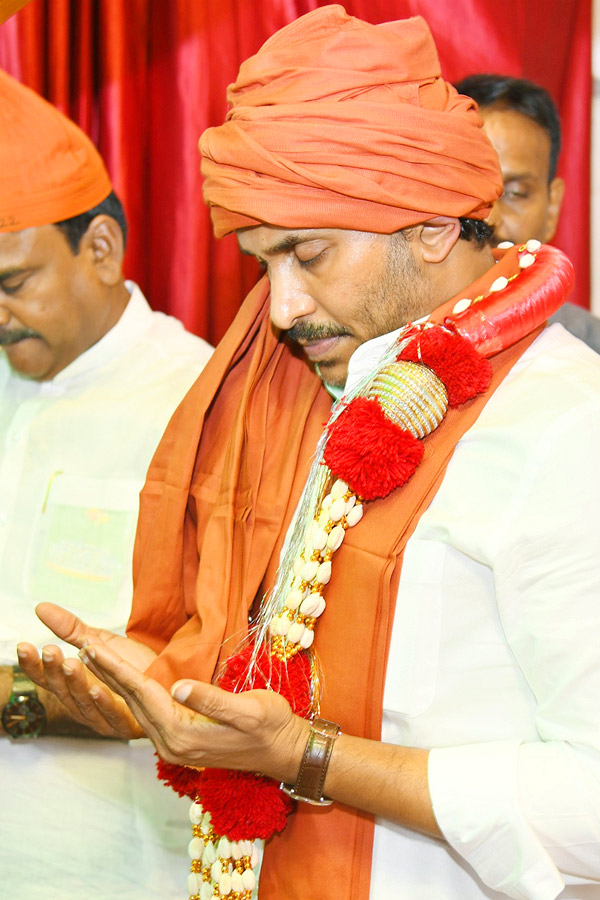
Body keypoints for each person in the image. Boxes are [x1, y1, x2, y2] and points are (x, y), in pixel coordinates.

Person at [18, 7, 600, 900]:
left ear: (433, 228)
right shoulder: (310, 390)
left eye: (309, 253)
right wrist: (174, 694)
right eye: (262, 263)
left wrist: (305, 758)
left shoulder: (566, 427)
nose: (282, 309)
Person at [0, 69, 214, 899]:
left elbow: (211, 666)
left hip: (116, 867)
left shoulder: (195, 401)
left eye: (13, 284)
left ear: (99, 247)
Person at [455, 73, 600, 351]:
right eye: (473, 188)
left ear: (552, 207)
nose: (491, 217)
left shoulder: (591, 353)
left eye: (516, 193)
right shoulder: (383, 348)